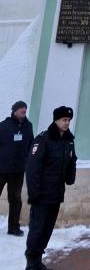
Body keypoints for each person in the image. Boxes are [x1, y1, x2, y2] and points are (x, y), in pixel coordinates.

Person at [25, 106, 77, 270]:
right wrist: (33, 193)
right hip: (41, 194)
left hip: (56, 193)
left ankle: (38, 260)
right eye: (64, 120)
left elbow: (72, 160)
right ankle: (31, 263)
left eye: (68, 120)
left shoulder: (68, 140)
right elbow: (33, 167)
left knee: (47, 229)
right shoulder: (43, 139)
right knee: (38, 228)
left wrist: (70, 178)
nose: (67, 123)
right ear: (56, 120)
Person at [0, 100, 34, 237]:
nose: (24, 111)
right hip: (1, 169)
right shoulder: (3, 126)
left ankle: (13, 227)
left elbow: (31, 145)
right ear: (15, 111)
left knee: (15, 199)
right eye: (21, 109)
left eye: (25, 109)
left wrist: (28, 160)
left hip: (18, 170)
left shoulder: (28, 126)